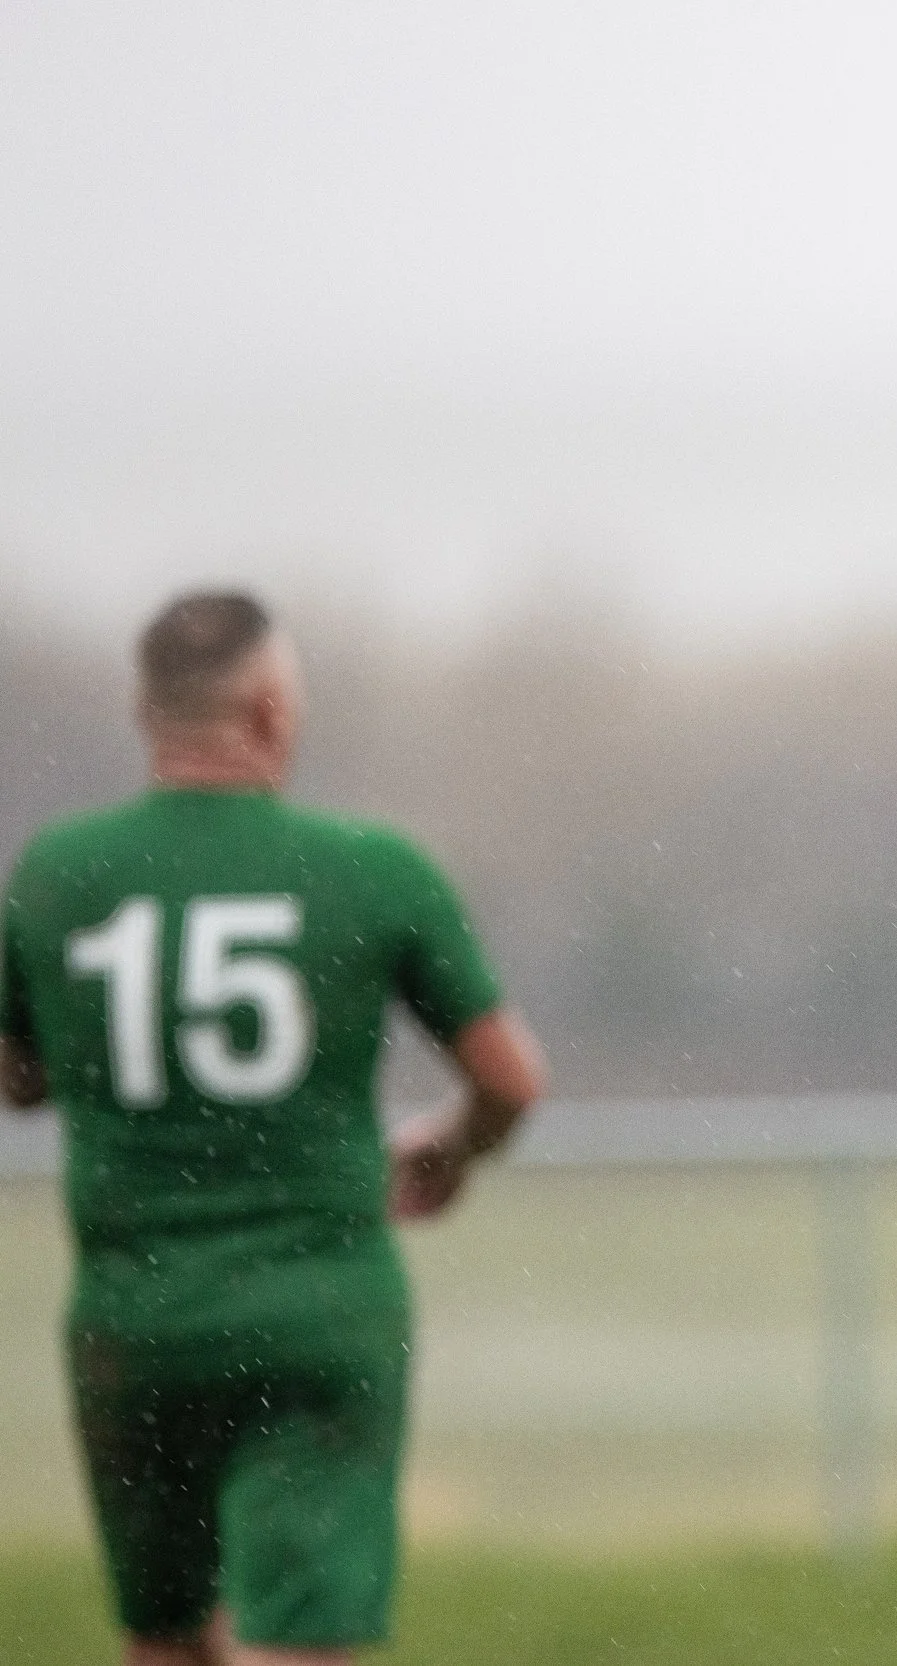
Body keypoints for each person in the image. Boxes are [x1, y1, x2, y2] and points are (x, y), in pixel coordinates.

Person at [0, 593, 546, 1666]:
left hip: (134, 1315)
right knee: (305, 1640)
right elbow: (510, 1080)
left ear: (145, 711)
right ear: (268, 710)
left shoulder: (57, 874)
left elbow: (18, 1079)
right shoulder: (373, 869)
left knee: (163, 1636)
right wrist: (449, 1145)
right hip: (317, 1309)